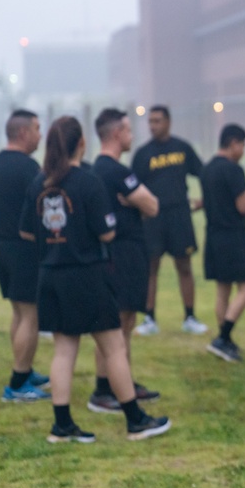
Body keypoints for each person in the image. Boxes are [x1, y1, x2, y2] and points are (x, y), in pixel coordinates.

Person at [19, 116, 170, 442]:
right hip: (87, 274)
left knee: (63, 350)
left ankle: (62, 425)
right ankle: (135, 421)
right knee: (114, 347)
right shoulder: (87, 183)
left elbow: (27, 232)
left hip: (50, 275)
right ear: (82, 144)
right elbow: (108, 231)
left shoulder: (38, 184)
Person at [88, 109, 163, 413]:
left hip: (119, 254)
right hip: (123, 255)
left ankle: (123, 383)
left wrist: (134, 200)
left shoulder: (98, 169)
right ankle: (105, 388)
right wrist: (136, 200)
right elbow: (153, 205)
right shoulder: (117, 172)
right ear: (117, 134)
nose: (133, 136)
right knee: (117, 323)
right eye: (129, 131)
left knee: (125, 322)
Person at [0, 109, 49, 402]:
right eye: (37, 128)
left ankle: (25, 369)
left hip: (0, 247)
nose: (40, 135)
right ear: (23, 133)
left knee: (19, 312)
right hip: (24, 249)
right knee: (31, 316)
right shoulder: (28, 168)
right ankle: (18, 383)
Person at [131, 105, 208, 336]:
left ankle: (190, 317)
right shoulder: (143, 154)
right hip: (153, 218)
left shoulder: (182, 148)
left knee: (184, 266)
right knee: (151, 268)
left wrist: (204, 199)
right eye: (150, 121)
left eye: (157, 121)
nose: (153, 125)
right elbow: (132, 186)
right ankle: (149, 319)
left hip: (179, 216)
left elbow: (204, 173)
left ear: (168, 122)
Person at [201, 124, 245, 363]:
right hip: (234, 237)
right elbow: (242, 206)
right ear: (233, 143)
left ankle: (225, 343)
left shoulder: (207, 169)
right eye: (243, 145)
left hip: (213, 236)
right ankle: (223, 337)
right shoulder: (233, 170)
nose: (244, 150)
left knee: (223, 291)